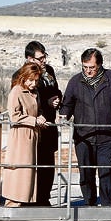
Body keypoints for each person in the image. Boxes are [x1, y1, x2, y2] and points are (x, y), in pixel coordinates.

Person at [59, 48, 111, 206]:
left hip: (106, 136)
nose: (88, 71)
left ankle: (107, 205)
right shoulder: (75, 81)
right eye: (85, 67)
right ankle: (89, 203)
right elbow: (67, 103)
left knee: (106, 172)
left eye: (92, 67)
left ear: (100, 65)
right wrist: (63, 115)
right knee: (86, 173)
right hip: (83, 137)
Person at [1, 62, 47, 207]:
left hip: (32, 134)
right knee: (20, 168)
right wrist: (33, 120)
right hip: (20, 135)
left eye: (36, 80)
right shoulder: (17, 91)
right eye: (30, 80)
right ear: (24, 77)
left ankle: (27, 200)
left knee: (30, 169)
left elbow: (37, 110)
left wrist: (41, 117)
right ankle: (13, 201)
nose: (33, 83)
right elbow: (14, 116)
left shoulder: (35, 92)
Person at [25, 41, 63, 206]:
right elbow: (26, 99)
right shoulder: (22, 75)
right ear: (29, 59)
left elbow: (56, 90)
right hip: (33, 128)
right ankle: (31, 200)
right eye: (40, 58)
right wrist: (45, 103)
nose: (44, 61)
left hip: (49, 126)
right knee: (33, 165)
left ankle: (44, 199)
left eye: (44, 57)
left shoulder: (50, 72)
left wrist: (57, 100)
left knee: (48, 166)